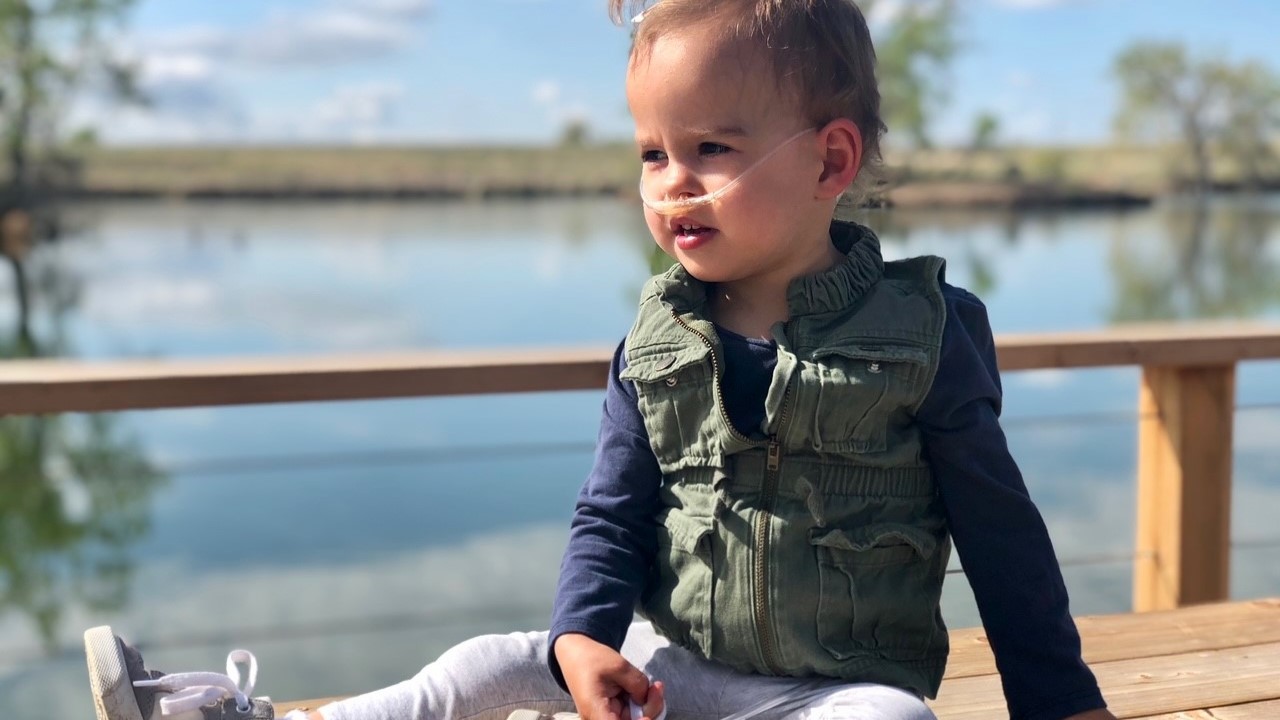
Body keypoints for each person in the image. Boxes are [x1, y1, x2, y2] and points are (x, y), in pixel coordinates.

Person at [82, 2, 1119, 719]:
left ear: (829, 160)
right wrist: (581, 639)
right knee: (486, 663)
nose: (670, 184)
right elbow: (610, 513)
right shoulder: (652, 345)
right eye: (649, 153)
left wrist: (1060, 700)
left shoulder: (924, 335)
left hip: (834, 690)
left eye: (711, 148)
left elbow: (1001, 537)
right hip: (668, 672)